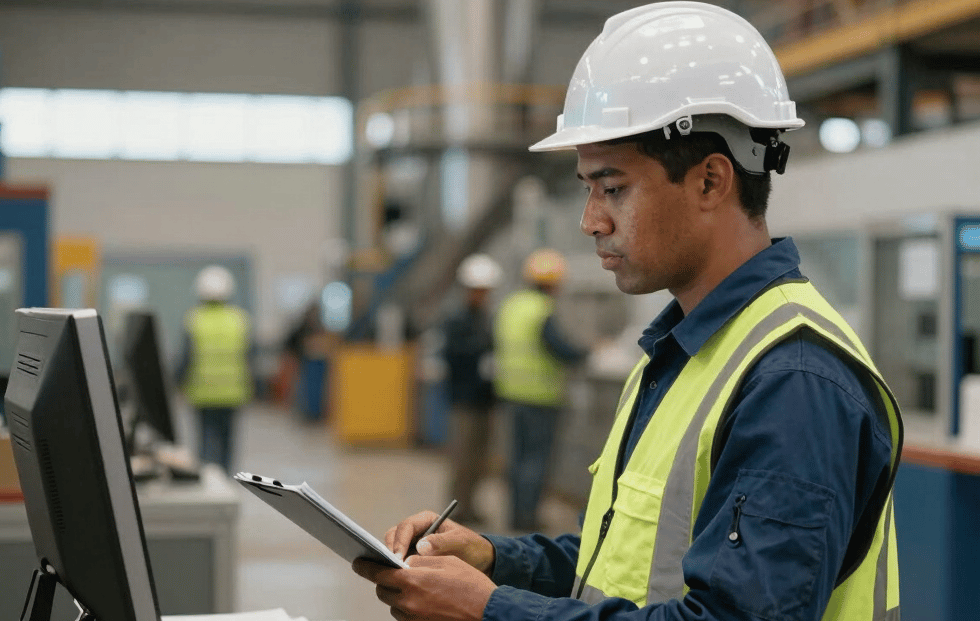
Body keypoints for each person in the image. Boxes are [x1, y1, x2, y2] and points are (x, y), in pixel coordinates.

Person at [352, 3, 903, 621]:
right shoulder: (680, 355)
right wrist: (496, 561)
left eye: (613, 188)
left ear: (710, 181)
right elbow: (621, 564)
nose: (591, 220)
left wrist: (491, 610)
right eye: (588, 189)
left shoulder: (793, 382)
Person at [494, 248, 588, 532]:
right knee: (535, 461)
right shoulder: (542, 310)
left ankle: (514, 515)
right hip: (541, 396)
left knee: (516, 458)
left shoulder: (511, 305)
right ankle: (527, 517)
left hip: (511, 393)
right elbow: (557, 348)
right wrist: (586, 353)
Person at [441, 253, 504, 527]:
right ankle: (456, 510)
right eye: (478, 290)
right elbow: (452, 355)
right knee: (462, 458)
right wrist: (481, 351)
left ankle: (471, 506)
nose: (482, 296)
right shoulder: (456, 321)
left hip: (485, 400)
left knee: (480, 459)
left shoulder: (487, 319)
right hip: (464, 401)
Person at [178, 265, 253, 474]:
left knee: (204, 442)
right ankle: (226, 478)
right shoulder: (239, 319)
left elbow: (186, 358)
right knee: (228, 442)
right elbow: (249, 357)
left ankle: (206, 480)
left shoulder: (194, 319)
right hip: (232, 392)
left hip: (203, 392)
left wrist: (178, 384)